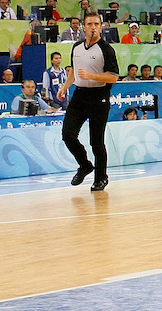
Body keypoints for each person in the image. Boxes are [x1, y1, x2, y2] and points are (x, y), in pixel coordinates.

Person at [58, 11, 119, 191]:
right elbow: (73, 70)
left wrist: (92, 75)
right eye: (89, 24)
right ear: (83, 27)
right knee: (68, 134)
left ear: (101, 27)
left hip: (99, 96)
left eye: (96, 24)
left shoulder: (106, 49)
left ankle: (101, 178)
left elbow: (113, 77)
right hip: (79, 95)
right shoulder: (77, 47)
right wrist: (65, 87)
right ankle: (84, 165)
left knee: (96, 142)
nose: (93, 27)